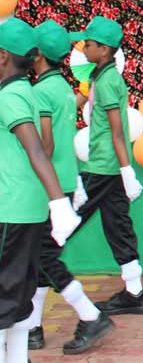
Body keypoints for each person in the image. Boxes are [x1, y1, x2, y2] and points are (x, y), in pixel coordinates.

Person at [28, 21, 114, 354]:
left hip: (48, 185)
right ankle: (33, 327)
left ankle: (90, 315)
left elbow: (45, 146)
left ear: (36, 55)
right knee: (42, 257)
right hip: (64, 180)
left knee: (43, 255)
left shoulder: (40, 92)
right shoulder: (62, 86)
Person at [0, 19, 82, 363]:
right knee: (19, 295)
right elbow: (45, 146)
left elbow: (36, 148)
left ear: (3, 56)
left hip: (10, 210)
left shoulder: (9, 97)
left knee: (4, 297)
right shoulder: (30, 92)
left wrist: (60, 202)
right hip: (29, 208)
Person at [66, 16, 143, 316]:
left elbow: (117, 131)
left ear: (103, 50)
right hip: (109, 167)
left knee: (62, 224)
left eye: (88, 44)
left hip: (102, 167)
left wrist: (127, 171)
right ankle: (135, 293)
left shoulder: (108, 82)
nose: (84, 49)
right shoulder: (101, 78)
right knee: (117, 226)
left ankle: (35, 284)